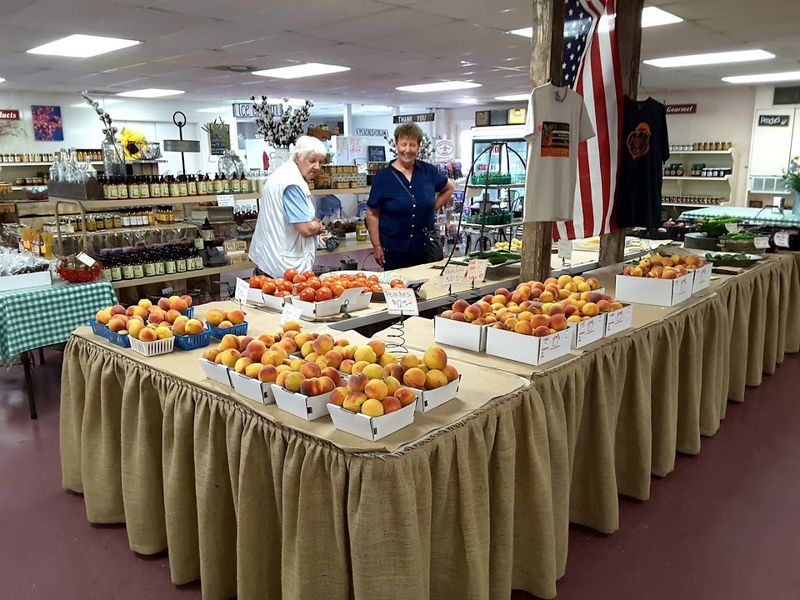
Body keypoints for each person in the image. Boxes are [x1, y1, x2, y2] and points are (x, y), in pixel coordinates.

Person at [366, 123, 455, 270]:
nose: (407, 150)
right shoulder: (383, 177)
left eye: (412, 145)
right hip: (394, 251)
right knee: (398, 290)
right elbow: (372, 214)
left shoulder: (428, 171)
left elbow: (449, 188)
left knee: (429, 290)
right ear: (396, 145)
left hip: (425, 249)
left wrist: (432, 208)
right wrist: (376, 246)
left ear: (419, 147)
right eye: (403, 144)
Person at [248, 135, 327, 277]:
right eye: (312, 161)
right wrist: (318, 226)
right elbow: (305, 229)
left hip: (271, 262)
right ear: (298, 157)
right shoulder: (292, 183)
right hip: (283, 268)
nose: (317, 167)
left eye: (320, 162)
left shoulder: (282, 174)